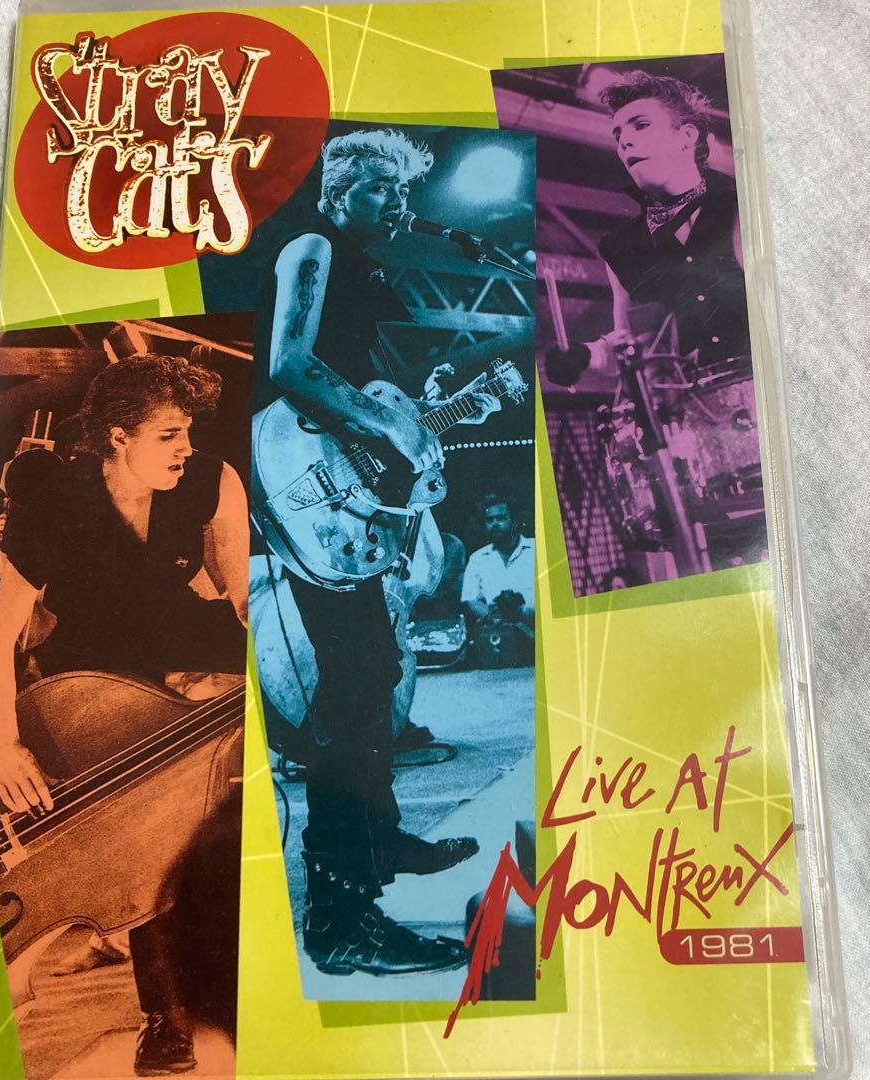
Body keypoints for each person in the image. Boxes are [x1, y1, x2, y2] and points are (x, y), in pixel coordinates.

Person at [253, 128, 500, 976]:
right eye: (377, 188)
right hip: (308, 493)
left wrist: (414, 413)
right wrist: (389, 423)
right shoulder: (315, 246)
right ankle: (341, 920)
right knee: (354, 694)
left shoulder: (359, 266)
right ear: (335, 189)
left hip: (349, 494)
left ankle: (382, 838)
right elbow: (290, 363)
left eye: (401, 192)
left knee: (377, 671)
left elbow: (355, 381)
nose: (395, 204)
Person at [0, 353, 250, 1076]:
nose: (186, 448)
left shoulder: (212, 480)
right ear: (117, 437)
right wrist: (5, 743)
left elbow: (243, 599)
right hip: (91, 687)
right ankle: (167, 1018)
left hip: (183, 653)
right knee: (142, 836)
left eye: (188, 431)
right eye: (168, 434)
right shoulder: (52, 508)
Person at [546, 69, 749, 386]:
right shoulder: (622, 247)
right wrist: (585, 354)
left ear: (686, 136)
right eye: (618, 136)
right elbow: (629, 345)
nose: (625, 141)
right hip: (691, 408)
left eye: (641, 125)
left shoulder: (743, 205)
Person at [461, 494, 534, 664]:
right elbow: (470, 599)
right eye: (490, 520)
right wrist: (492, 616)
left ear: (515, 521)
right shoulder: (478, 558)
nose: (495, 524)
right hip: (499, 637)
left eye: (501, 518)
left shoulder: (538, 549)